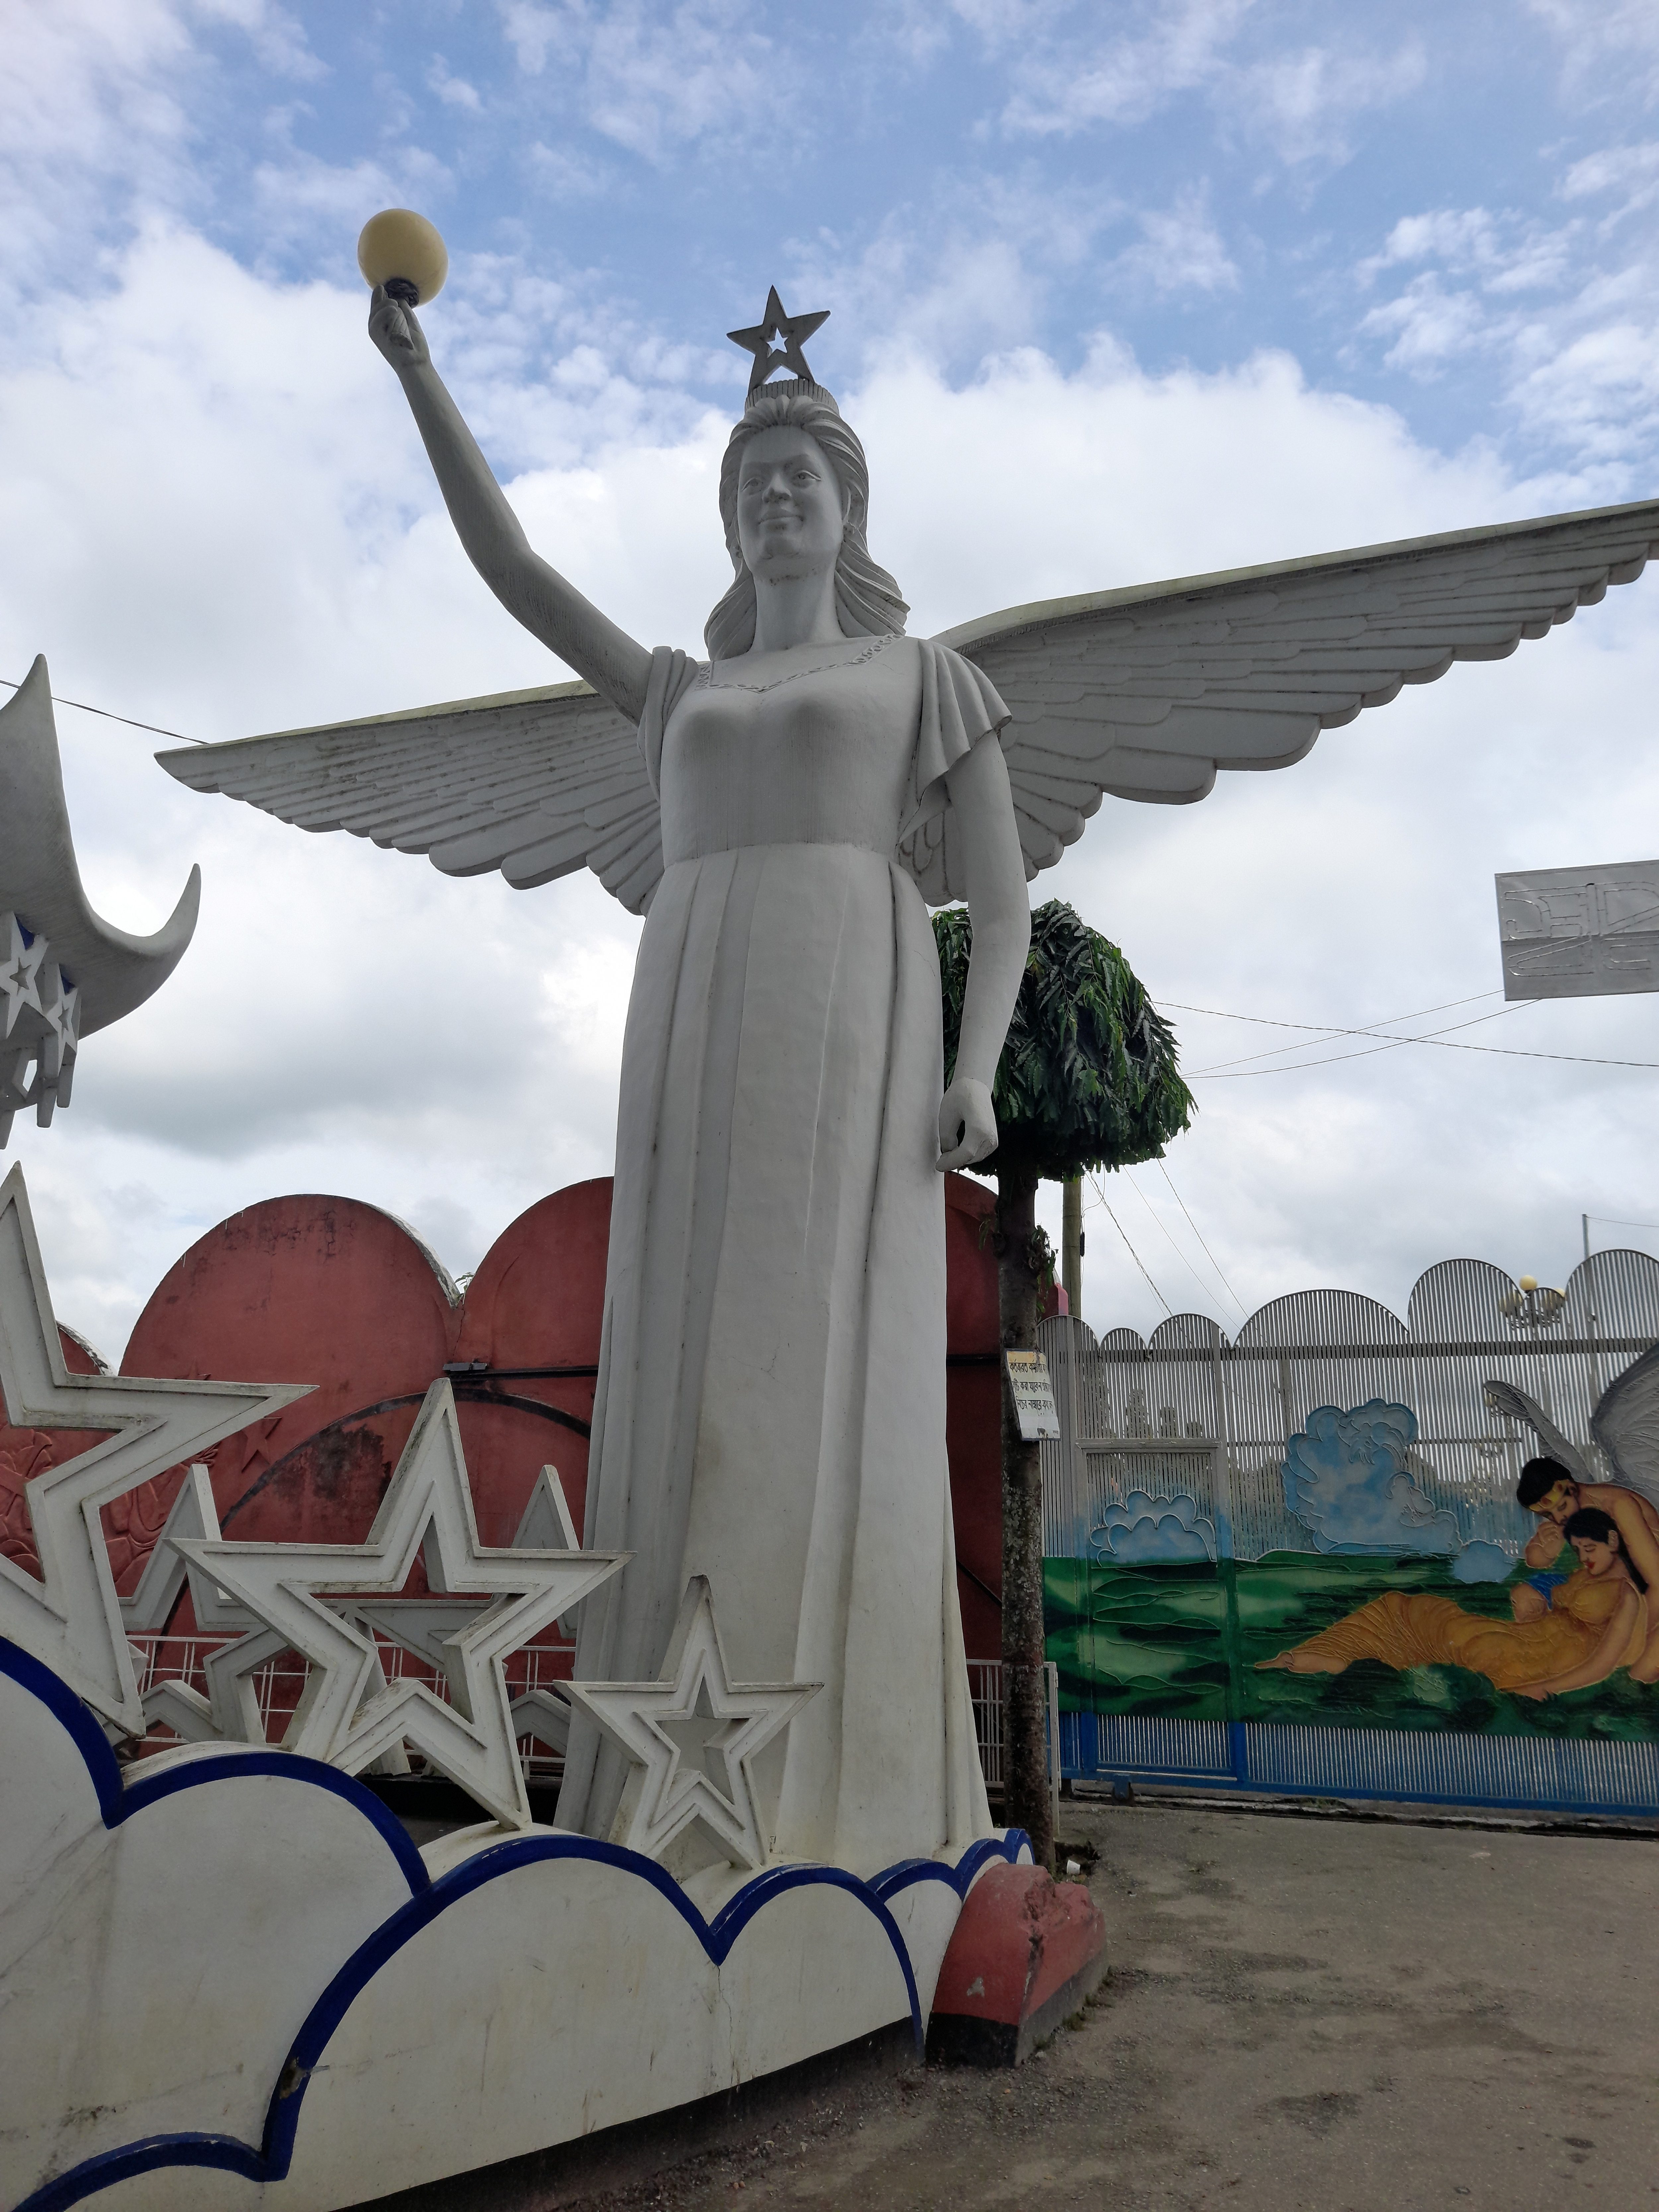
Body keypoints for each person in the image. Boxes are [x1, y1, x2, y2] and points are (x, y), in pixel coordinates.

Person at [367, 287, 1031, 1872]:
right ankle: (663, 1792)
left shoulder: (921, 676)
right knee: (683, 1361)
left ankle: (845, 1796)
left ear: (848, 506)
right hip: (690, 1003)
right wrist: (419, 373)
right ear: (730, 529)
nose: (777, 497)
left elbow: (1000, 901)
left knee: (821, 1359)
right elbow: (515, 571)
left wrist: (977, 1067)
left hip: (844, 1003)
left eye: (802, 477)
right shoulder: (673, 689)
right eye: (752, 487)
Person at [1257, 1507, 1658, 1695]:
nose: (1584, 1557)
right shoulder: (1589, 1576)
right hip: (1525, 1640)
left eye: (1589, 1548)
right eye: (1578, 1549)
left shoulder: (1627, 1594)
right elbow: (1550, 1601)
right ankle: (1307, 1658)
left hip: (1532, 1660)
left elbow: (1602, 1663)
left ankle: (1314, 1662)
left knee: (1424, 1631)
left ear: (1613, 1540)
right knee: (1405, 1610)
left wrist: (1542, 1689)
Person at [1514, 1456, 1659, 1632]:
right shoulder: (1565, 1512)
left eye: (1561, 1508)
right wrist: (1548, 1552)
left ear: (1573, 1489)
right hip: (1595, 1579)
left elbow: (1656, 1582)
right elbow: (1534, 1559)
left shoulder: (1619, 1506)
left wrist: (1635, 1640)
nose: (1559, 1519)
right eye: (1548, 1515)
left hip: (1637, 1581)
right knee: (1523, 1596)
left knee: (1586, 1602)